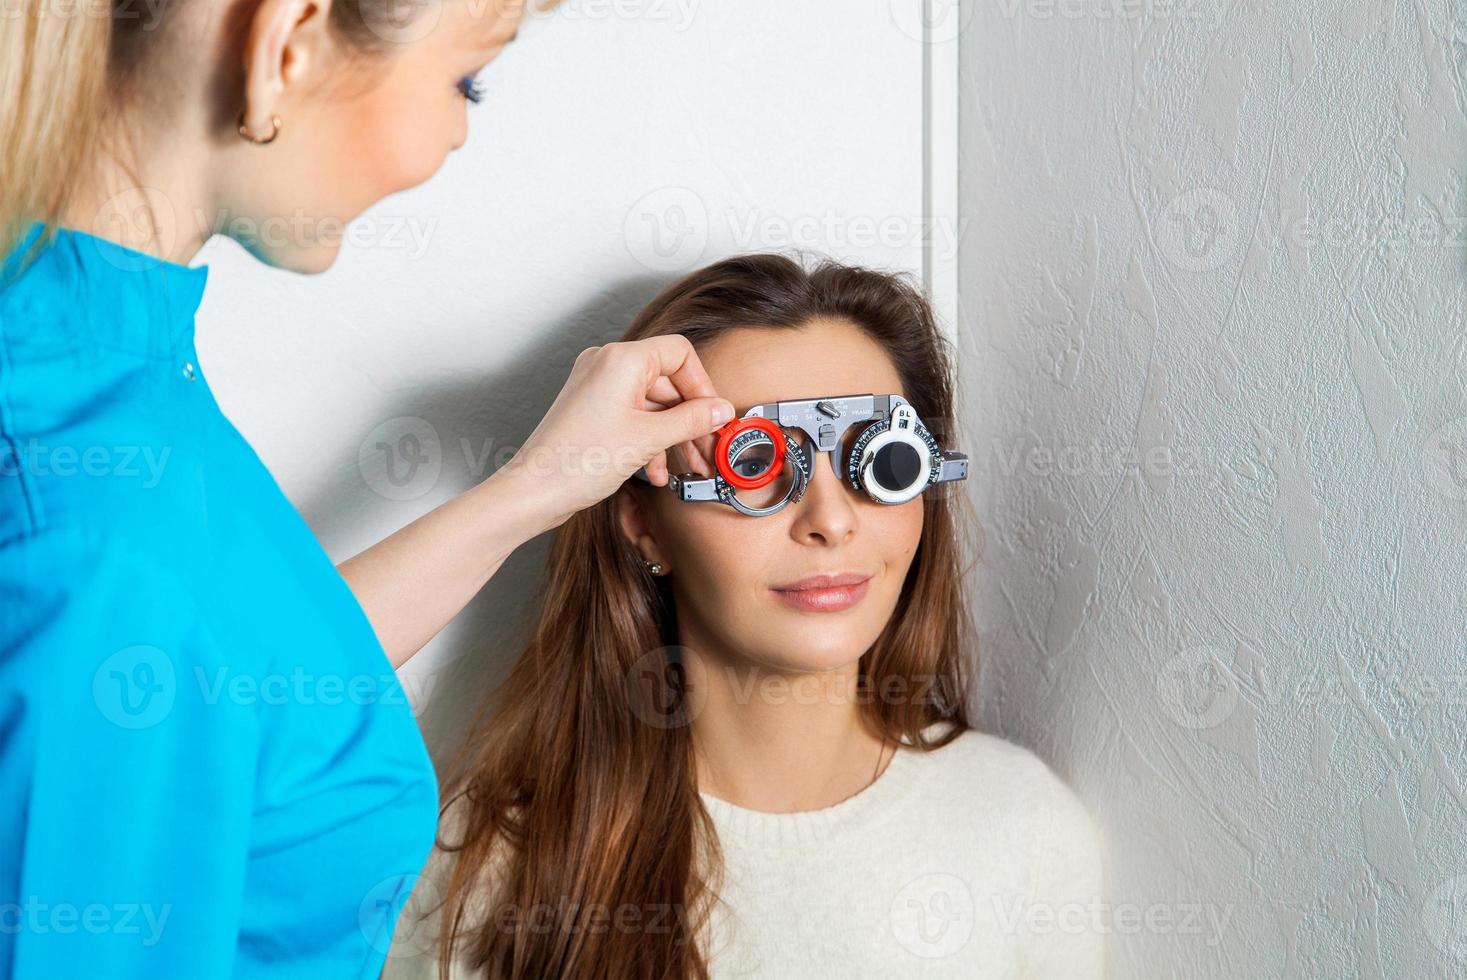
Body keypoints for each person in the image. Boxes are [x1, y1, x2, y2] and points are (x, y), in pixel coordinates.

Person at [0, 0, 735, 975]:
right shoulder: (102, 524)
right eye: (462, 80)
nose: (458, 131)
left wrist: (532, 487)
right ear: (285, 44)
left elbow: (234, 678)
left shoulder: (103, 369)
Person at [385, 254, 1108, 979]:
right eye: (755, 465)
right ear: (644, 522)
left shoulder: (1023, 829)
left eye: (881, 465)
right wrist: (534, 485)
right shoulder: (492, 864)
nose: (830, 521)